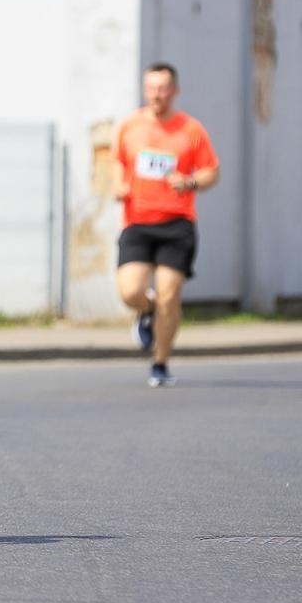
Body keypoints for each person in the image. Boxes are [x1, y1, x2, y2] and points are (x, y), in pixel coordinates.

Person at [111, 62, 219, 388]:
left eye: (163, 88)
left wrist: (189, 182)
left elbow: (211, 171)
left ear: (175, 91)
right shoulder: (129, 126)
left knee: (170, 295)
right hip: (138, 222)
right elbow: (117, 162)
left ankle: (160, 363)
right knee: (130, 291)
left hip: (177, 224)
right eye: (151, 88)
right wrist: (118, 185)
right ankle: (147, 310)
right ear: (144, 90)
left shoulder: (191, 130)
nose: (157, 94)